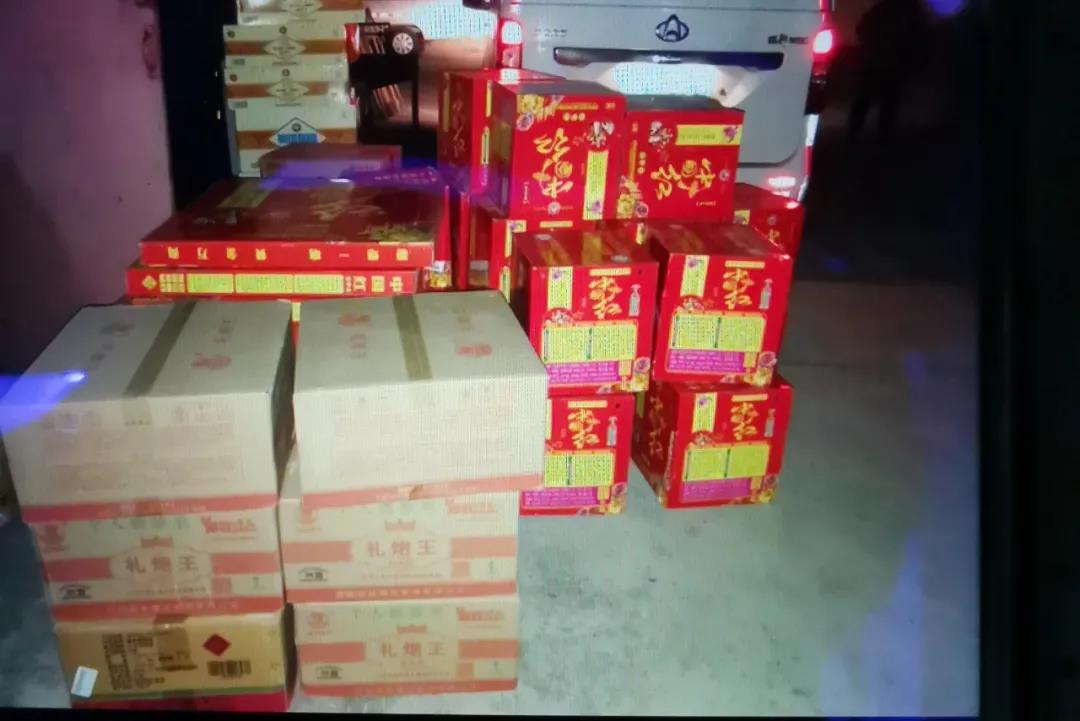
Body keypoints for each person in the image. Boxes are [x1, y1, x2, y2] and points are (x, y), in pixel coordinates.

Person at [847, 0, 929, 142]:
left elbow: (861, 29)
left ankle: (854, 134)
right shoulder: (905, 14)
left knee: (866, 99)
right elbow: (915, 37)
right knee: (887, 101)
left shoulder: (880, 10)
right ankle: (881, 136)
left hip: (874, 61)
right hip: (889, 63)